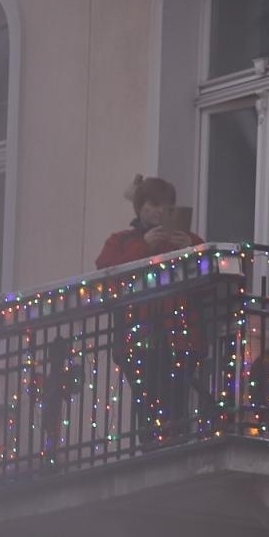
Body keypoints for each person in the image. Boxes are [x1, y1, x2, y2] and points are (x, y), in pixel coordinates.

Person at [94, 175, 207, 447]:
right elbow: (109, 277)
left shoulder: (188, 240)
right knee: (146, 397)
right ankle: (150, 445)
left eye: (166, 206)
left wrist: (191, 249)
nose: (159, 211)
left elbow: (208, 280)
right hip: (138, 335)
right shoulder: (121, 241)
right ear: (139, 207)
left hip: (179, 336)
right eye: (153, 204)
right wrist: (144, 245)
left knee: (176, 396)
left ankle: (174, 443)